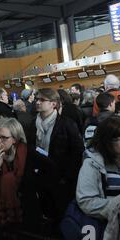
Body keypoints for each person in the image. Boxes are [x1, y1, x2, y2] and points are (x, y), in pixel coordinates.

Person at [27, 88, 84, 227]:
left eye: (42, 100)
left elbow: (77, 151)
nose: (38, 102)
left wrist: (67, 176)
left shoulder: (66, 124)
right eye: (37, 99)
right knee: (45, 211)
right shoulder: (31, 124)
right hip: (40, 175)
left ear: (53, 104)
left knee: (61, 213)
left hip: (60, 177)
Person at [76, 117, 120, 220]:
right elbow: (87, 201)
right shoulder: (92, 163)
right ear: (106, 141)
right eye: (119, 139)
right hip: (107, 225)